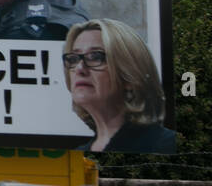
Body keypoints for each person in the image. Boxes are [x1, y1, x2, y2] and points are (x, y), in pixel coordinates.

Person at [64, 18, 176, 152]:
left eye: (95, 57)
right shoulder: (78, 154)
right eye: (73, 59)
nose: (79, 68)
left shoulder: (166, 145)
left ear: (130, 76)